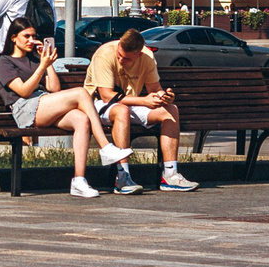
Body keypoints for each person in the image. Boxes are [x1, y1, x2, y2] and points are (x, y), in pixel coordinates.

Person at [0, 18, 127, 198]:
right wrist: (42, 66)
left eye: (33, 36)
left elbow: (54, 88)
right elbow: (24, 91)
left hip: (43, 103)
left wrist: (46, 64)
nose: (31, 40)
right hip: (24, 109)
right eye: (26, 36)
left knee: (81, 119)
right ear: (14, 38)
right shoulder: (5, 62)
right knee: (80, 93)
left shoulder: (34, 59)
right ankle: (105, 146)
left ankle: (79, 180)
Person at [83, 29, 196, 194]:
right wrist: (144, 101)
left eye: (127, 58)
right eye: (119, 55)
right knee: (121, 111)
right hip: (96, 104)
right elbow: (106, 96)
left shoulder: (148, 57)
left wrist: (164, 97)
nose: (120, 60)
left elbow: (155, 88)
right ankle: (122, 177)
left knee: (171, 110)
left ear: (139, 55)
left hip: (129, 101)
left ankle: (170, 175)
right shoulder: (104, 54)